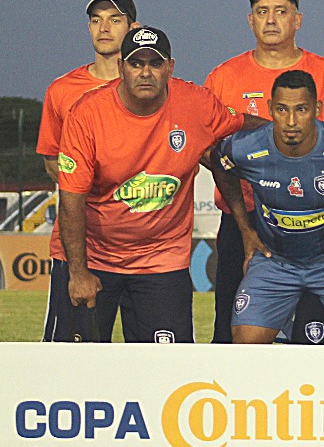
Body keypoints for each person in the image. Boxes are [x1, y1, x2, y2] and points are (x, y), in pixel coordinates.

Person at [57, 26, 258, 342]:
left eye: (155, 63)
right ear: (122, 67)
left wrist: (303, 134)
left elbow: (242, 124)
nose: (145, 72)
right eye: (136, 64)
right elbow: (71, 200)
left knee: (168, 372)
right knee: (79, 369)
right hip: (97, 258)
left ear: (171, 67)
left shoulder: (196, 103)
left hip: (162, 260)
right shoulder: (87, 113)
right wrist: (79, 272)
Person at [205, 0, 324, 345]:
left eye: (281, 10)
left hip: (316, 227)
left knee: (315, 334)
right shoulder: (223, 79)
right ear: (250, 20)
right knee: (233, 332)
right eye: (262, 11)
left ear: (298, 19)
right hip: (244, 222)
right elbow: (206, 149)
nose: (271, 19)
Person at [210, 70, 324, 345]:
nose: (291, 121)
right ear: (270, 109)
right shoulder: (245, 147)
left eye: (301, 109)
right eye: (282, 110)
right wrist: (245, 229)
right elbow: (220, 162)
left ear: (317, 110)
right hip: (275, 261)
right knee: (245, 342)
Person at [39, 0, 139, 341]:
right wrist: (86, 185)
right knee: (70, 358)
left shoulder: (150, 85)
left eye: (114, 19)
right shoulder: (62, 90)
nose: (104, 28)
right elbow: (53, 158)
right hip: (78, 242)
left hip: (141, 248)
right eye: (96, 20)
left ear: (133, 26)